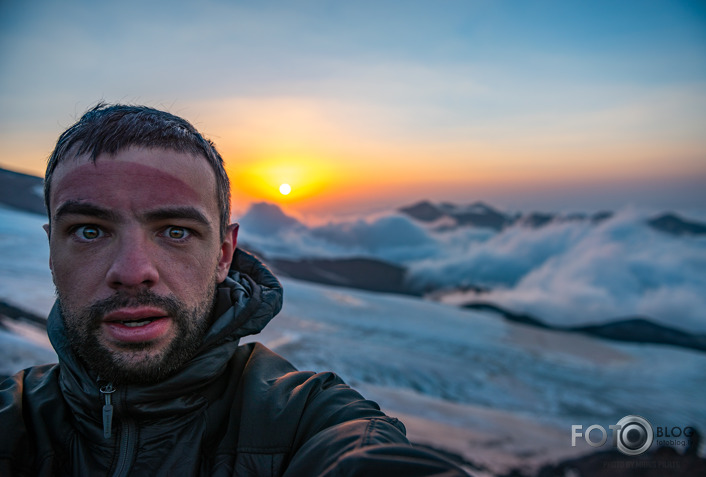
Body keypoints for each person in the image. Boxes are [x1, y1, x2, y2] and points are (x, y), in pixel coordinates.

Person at [0, 103, 467, 476]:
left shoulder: (306, 419)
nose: (133, 270)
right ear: (51, 251)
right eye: (89, 231)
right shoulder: (11, 421)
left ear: (224, 255)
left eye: (175, 231)